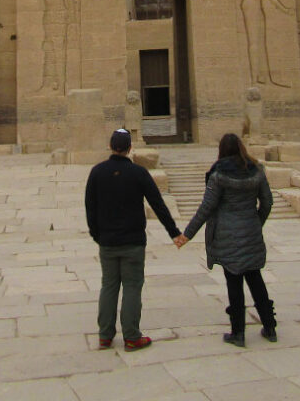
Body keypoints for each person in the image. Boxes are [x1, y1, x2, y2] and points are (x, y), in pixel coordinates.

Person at [174, 133, 277, 347]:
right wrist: (256, 222)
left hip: (227, 236)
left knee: (234, 282)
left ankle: (238, 333)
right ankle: (270, 327)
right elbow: (267, 202)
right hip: (250, 232)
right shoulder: (256, 170)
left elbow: (207, 207)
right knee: (255, 279)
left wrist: (187, 234)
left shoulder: (218, 174)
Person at [85, 128, 182, 351]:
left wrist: (96, 235)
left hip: (107, 242)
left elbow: (90, 208)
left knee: (108, 286)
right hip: (133, 242)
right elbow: (158, 204)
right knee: (131, 287)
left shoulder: (97, 172)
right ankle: (131, 336)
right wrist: (174, 233)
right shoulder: (138, 173)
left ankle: (105, 335)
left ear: (110, 146)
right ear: (130, 148)